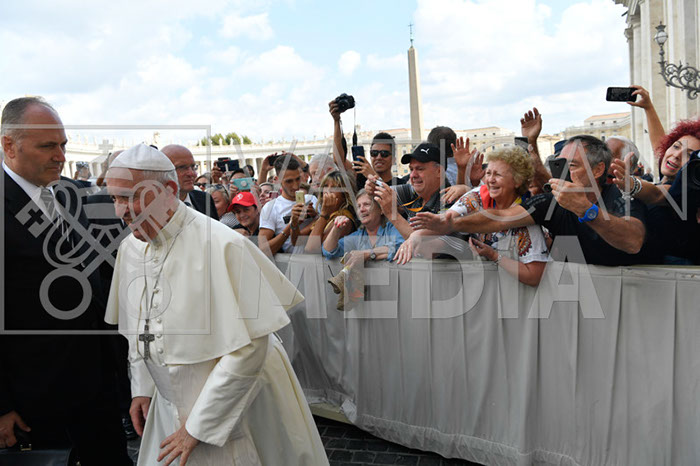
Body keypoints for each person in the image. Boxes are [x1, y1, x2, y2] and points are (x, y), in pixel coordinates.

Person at [104, 144, 328, 465]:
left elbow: (249, 348)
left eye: (130, 197)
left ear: (169, 192)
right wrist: (143, 387)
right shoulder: (130, 249)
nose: (120, 211)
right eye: (115, 198)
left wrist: (198, 426)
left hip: (239, 408)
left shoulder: (224, 245)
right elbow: (141, 328)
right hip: (168, 410)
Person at [0, 96, 131, 464]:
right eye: (47, 146)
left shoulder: (71, 194)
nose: (60, 156)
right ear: (9, 145)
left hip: (99, 388)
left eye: (63, 145)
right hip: (34, 400)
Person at [410, 135, 647, 266]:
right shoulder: (550, 202)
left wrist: (587, 210)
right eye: (560, 165)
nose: (564, 173)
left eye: (572, 166)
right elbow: (500, 218)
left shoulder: (622, 193)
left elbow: (633, 241)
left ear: (598, 170)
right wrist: (451, 223)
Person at [396, 147, 549, 286]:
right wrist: (415, 236)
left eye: (498, 175)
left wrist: (494, 256)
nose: (490, 180)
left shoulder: (527, 222)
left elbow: (534, 276)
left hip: (516, 297)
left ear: (517, 180)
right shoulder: (477, 196)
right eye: (488, 173)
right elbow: (447, 220)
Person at [611, 114, 700, 264]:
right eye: (676, 146)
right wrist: (648, 108)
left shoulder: (685, 193)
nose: (676, 155)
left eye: (688, 155)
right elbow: (658, 142)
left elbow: (657, 194)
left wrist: (632, 184)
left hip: (672, 272)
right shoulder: (666, 173)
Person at [323, 189, 405, 310]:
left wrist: (367, 254)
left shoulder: (392, 228)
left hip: (396, 299)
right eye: (358, 206)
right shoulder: (358, 236)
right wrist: (336, 228)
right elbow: (328, 251)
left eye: (366, 204)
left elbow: (400, 246)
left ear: (381, 210)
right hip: (370, 305)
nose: (361, 209)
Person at [365, 142, 453, 240]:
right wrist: (372, 185)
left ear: (439, 172)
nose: (413, 175)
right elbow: (383, 191)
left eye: (420, 169)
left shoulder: (450, 202)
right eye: (411, 169)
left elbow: (425, 245)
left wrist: (392, 213)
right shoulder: (414, 191)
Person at [259, 156, 318, 255]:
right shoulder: (270, 208)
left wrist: (315, 215)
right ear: (277, 180)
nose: (295, 186)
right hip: (290, 261)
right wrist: (291, 225)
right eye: (289, 181)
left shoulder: (311, 199)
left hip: (317, 258)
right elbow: (264, 250)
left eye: (298, 179)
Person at [305, 170, 357, 253]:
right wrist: (294, 222)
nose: (328, 190)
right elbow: (298, 237)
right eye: (326, 186)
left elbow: (311, 248)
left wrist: (323, 216)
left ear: (345, 195)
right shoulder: (328, 214)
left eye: (334, 187)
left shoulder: (344, 219)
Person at [161, 144, 218, 220]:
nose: (192, 174)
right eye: (182, 167)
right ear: (163, 171)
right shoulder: (151, 207)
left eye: (193, 167)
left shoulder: (205, 200)